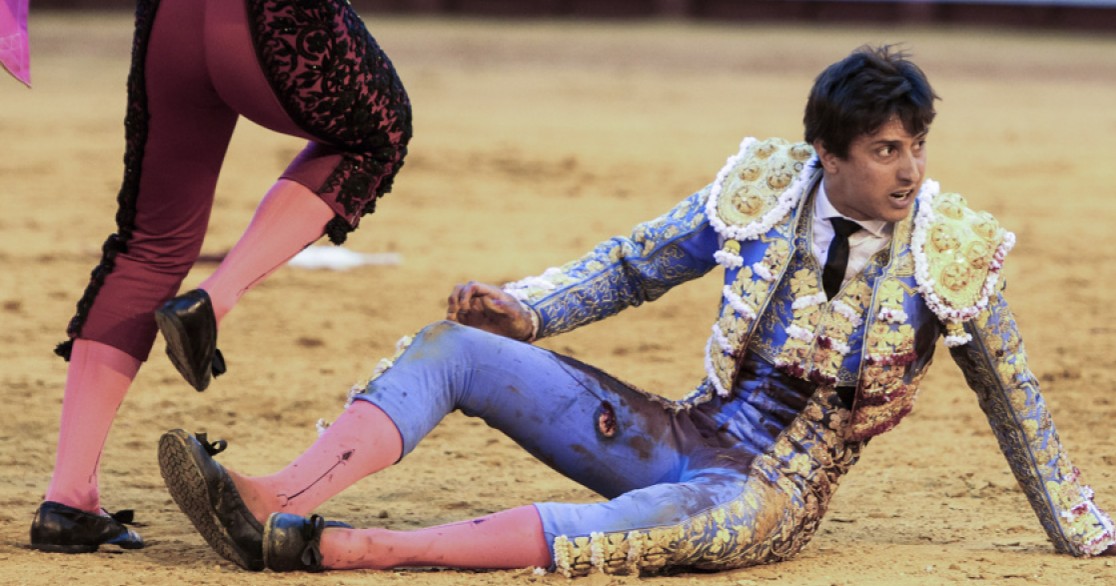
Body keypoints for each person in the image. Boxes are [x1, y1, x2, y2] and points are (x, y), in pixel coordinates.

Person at [158, 45, 1114, 576]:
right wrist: (522, 311)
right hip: (685, 432)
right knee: (454, 347)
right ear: (828, 153)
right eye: (887, 151)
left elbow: (1018, 402)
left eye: (915, 148)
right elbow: (631, 267)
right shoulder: (767, 187)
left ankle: (345, 551)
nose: (909, 171)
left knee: (628, 532)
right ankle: (276, 500)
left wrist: (1086, 531)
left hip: (769, 495)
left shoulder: (951, 250)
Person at [30, 0, 412, 553]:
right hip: (269, 19)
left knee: (149, 242)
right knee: (381, 130)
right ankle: (215, 297)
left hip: (170, 18)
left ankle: (67, 500)